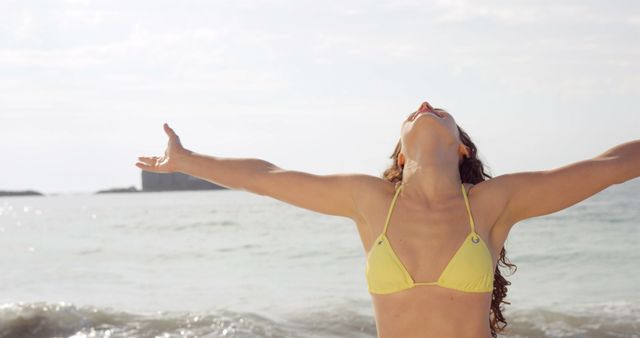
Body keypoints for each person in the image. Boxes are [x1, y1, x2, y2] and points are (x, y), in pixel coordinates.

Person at [135, 101, 639, 338]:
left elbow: (609, 169)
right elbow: (267, 176)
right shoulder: (370, 201)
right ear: (399, 155)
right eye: (415, 110)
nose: (423, 106)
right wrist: (189, 162)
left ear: (461, 144)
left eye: (437, 108)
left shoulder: (490, 204)